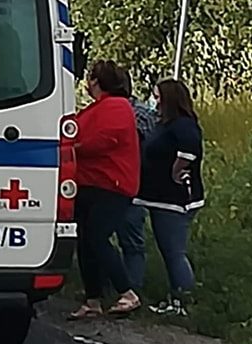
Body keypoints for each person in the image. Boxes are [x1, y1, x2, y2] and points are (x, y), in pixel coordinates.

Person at [71, 60, 142, 319]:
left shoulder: (116, 107)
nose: (88, 84)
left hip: (112, 185)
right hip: (91, 183)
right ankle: (93, 299)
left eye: (91, 79)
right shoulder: (99, 108)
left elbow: (104, 141)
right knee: (86, 241)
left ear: (97, 82)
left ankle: (127, 292)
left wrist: (72, 149)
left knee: (96, 237)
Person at [137, 77, 204, 313]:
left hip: (173, 201)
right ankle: (177, 298)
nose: (154, 101)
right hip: (161, 198)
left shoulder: (183, 125)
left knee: (174, 252)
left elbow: (189, 152)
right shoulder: (167, 123)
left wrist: (175, 170)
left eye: (157, 97)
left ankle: (183, 301)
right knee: (170, 251)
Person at [117, 85, 157, 294]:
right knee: (128, 239)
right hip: (132, 183)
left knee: (130, 239)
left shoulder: (137, 114)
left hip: (131, 184)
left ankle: (132, 287)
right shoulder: (143, 112)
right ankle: (127, 285)